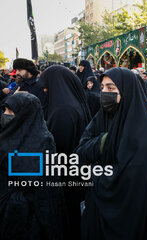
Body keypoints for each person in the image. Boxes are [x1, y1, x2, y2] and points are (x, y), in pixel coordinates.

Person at [76, 67, 147, 240]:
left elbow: (130, 177)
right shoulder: (102, 116)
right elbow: (81, 150)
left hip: (127, 212)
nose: (105, 93)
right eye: (103, 88)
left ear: (127, 90)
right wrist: (103, 142)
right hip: (98, 206)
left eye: (111, 88)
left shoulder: (143, 127)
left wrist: (94, 171)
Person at [0, 92, 68, 239]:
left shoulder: (43, 141)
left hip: (25, 217)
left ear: (25, 115)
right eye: (5, 110)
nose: (6, 115)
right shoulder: (5, 134)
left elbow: (44, 188)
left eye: (11, 111)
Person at [39, 65, 91, 240]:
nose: (44, 90)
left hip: (67, 179)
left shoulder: (63, 111)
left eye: (46, 86)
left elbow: (59, 150)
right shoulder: (68, 104)